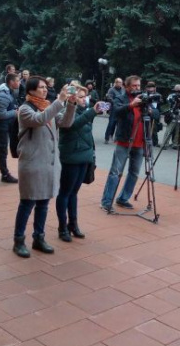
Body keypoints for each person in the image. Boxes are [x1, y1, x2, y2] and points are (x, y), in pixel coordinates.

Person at [13, 77, 75, 258]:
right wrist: (60, 101)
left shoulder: (48, 106)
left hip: (49, 164)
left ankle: (38, 238)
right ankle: (18, 240)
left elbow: (65, 123)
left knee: (43, 203)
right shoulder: (26, 109)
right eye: (40, 88)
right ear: (30, 90)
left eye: (45, 87)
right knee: (27, 203)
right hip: (33, 164)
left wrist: (71, 104)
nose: (44, 90)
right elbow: (40, 120)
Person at [56, 84, 105, 242]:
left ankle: (73, 224)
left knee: (74, 193)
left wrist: (93, 112)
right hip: (70, 156)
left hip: (84, 156)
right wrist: (92, 112)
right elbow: (72, 125)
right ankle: (62, 227)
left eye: (85, 96)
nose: (85, 99)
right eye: (81, 96)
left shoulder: (86, 111)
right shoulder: (65, 111)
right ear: (72, 97)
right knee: (65, 192)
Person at [100, 76, 144, 210]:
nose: (137, 88)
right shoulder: (121, 97)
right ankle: (107, 201)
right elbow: (116, 112)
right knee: (115, 172)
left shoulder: (143, 99)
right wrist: (131, 105)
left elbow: (154, 114)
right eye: (134, 86)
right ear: (127, 86)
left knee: (134, 173)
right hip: (124, 140)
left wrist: (150, 108)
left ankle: (123, 198)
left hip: (140, 142)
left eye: (138, 86)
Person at [104, 78, 125, 144]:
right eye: (118, 82)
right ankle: (107, 138)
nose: (120, 84)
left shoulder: (123, 90)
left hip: (121, 108)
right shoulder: (111, 90)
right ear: (115, 83)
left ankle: (116, 137)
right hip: (113, 109)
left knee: (119, 124)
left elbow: (124, 97)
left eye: (121, 82)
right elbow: (109, 98)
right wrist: (116, 103)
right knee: (111, 123)